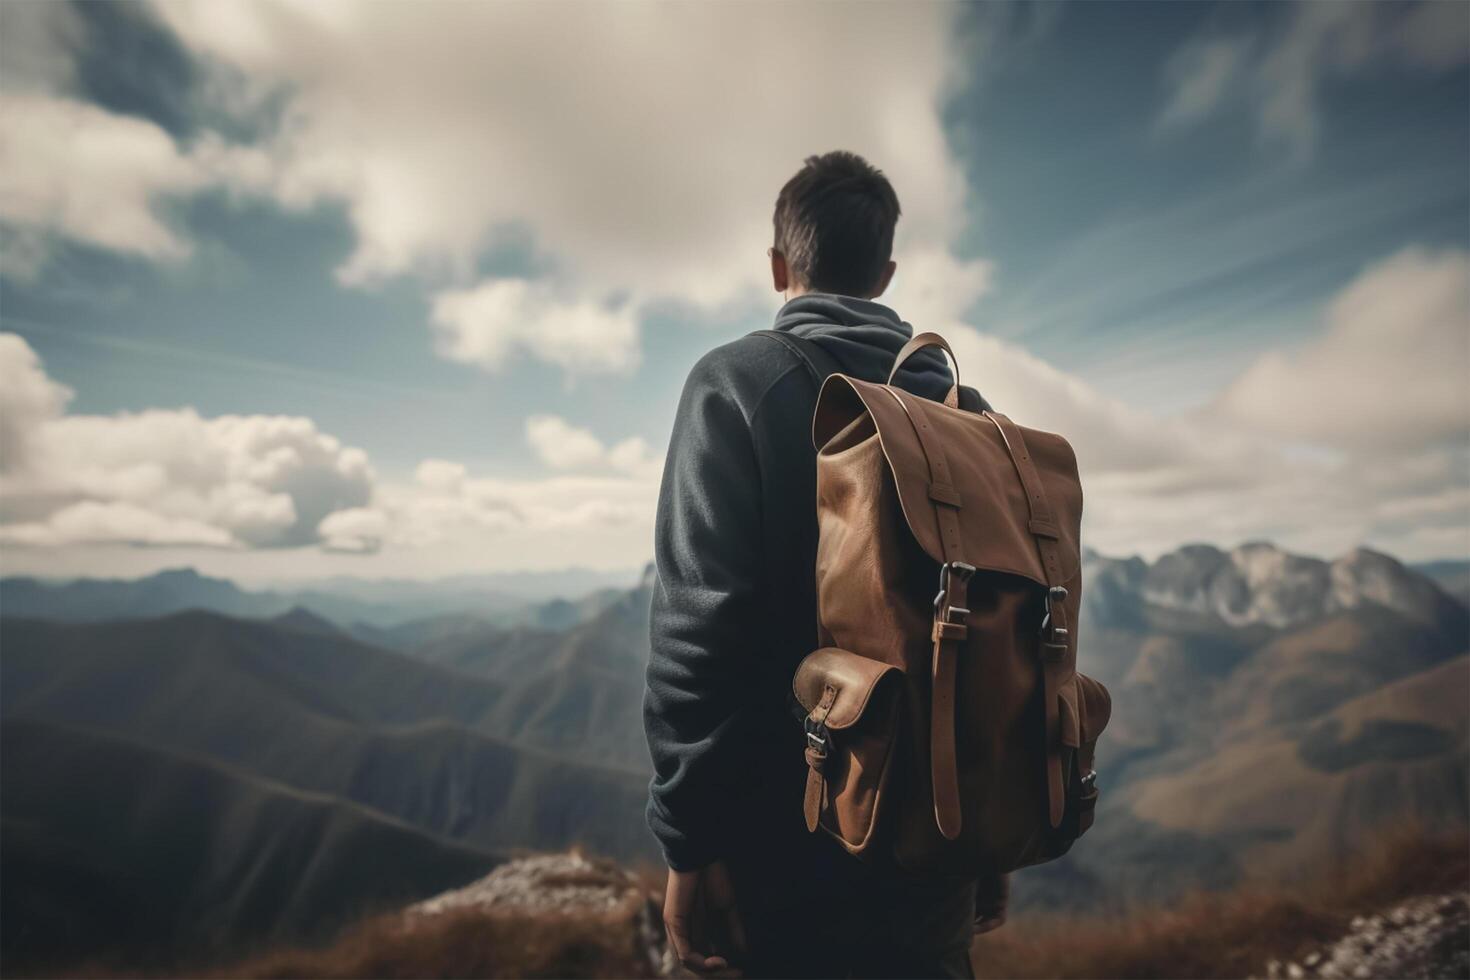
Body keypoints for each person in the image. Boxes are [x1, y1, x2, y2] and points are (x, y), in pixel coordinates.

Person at [643, 151, 1003, 979]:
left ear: (779, 266)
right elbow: (990, 637)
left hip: (783, 854)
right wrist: (987, 837)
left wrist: (687, 840)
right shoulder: (963, 412)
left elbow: (700, 632)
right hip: (939, 843)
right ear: (885, 273)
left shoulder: (737, 383)